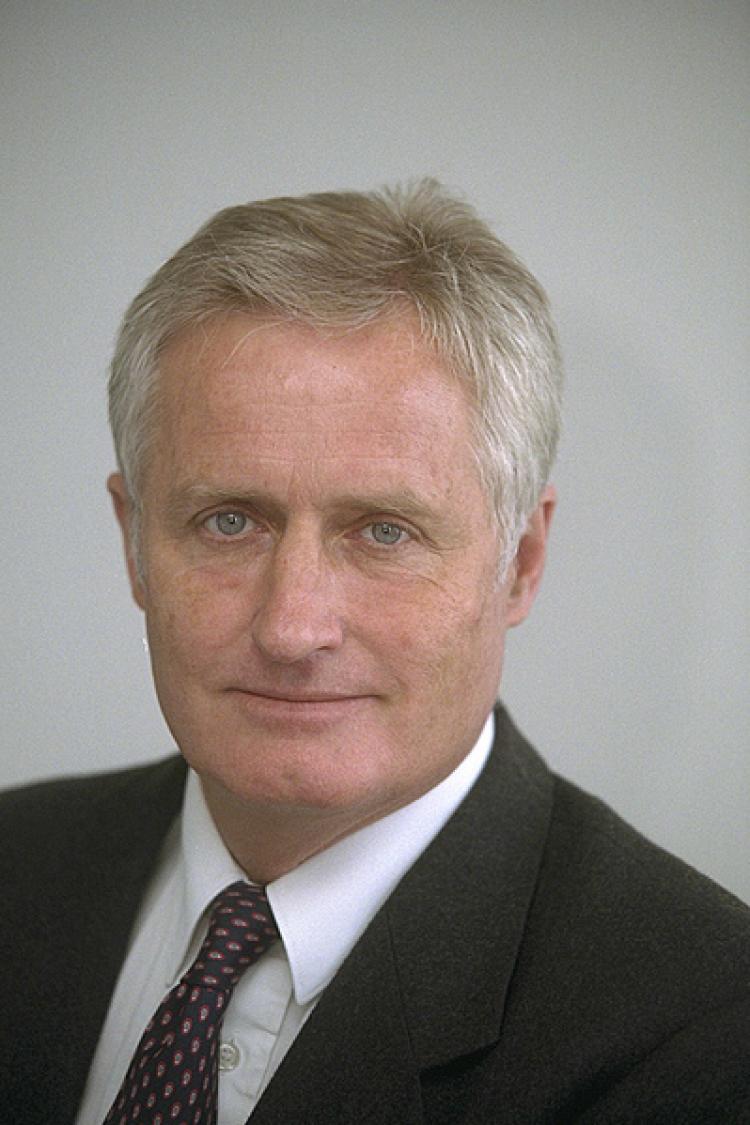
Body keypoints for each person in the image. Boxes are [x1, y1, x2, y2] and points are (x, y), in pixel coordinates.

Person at [1, 181, 748, 1125]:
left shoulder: (705, 1034)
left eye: (385, 532)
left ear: (520, 564)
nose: (292, 627)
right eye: (229, 521)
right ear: (134, 542)